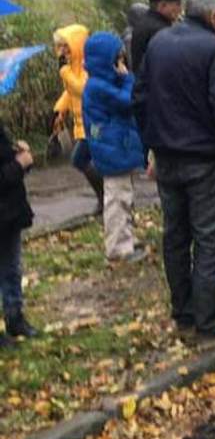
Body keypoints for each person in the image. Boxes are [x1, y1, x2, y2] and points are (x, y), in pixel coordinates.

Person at [133, 0, 215, 343]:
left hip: (167, 157)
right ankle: (212, 321)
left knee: (175, 238)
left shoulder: (158, 44)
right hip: (203, 157)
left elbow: (140, 98)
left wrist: (151, 146)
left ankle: (184, 315)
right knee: (209, 239)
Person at [83, 32, 147, 264]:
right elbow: (128, 101)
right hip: (113, 151)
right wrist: (128, 78)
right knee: (117, 199)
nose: (121, 63)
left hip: (117, 148)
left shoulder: (102, 82)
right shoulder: (98, 86)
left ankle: (125, 237)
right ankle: (118, 248)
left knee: (125, 197)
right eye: (117, 59)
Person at [52, 24, 103, 213]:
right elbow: (69, 91)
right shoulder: (71, 65)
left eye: (66, 45)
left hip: (91, 122)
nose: (62, 50)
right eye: (60, 46)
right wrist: (59, 110)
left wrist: (64, 72)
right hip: (81, 123)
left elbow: (81, 89)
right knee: (84, 160)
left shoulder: (87, 66)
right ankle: (104, 197)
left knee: (79, 159)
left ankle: (104, 195)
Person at [0, 120, 37, 347]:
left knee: (12, 268)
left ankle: (15, 317)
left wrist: (17, 154)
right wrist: (19, 164)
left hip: (8, 212)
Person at [130, 0, 185, 74]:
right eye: (177, 4)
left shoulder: (143, 24)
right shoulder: (161, 31)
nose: (180, 9)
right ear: (162, 5)